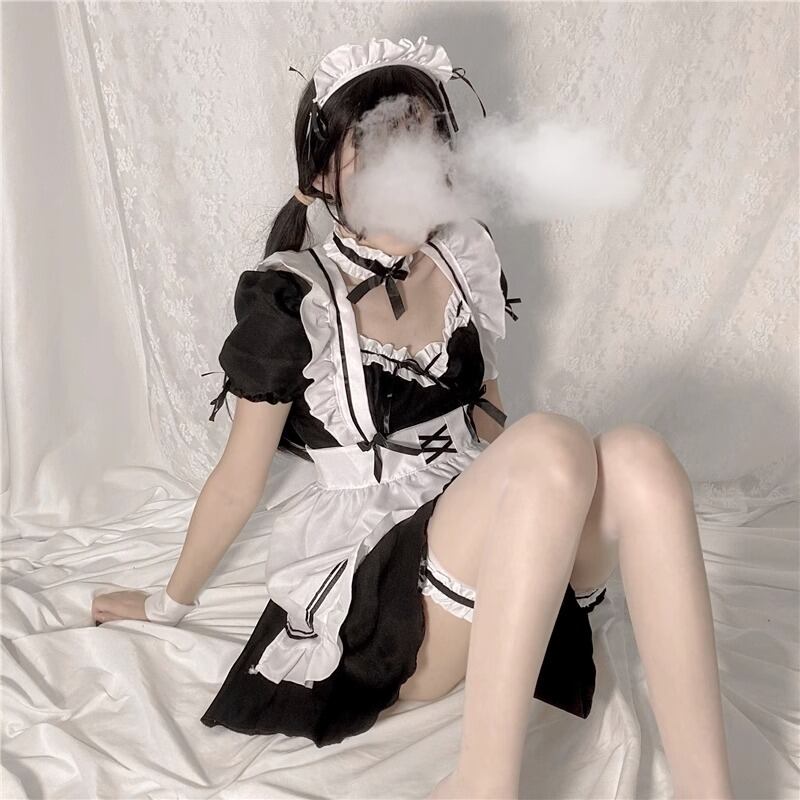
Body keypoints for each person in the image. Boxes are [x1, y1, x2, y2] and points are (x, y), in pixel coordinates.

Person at [91, 36, 734, 800]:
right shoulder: (295, 297)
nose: (411, 160)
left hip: (491, 563)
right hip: (386, 610)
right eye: (376, 145)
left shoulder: (464, 256)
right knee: (554, 439)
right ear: (322, 176)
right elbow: (237, 482)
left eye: (424, 136)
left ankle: (711, 791)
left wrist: (545, 504)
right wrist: (165, 605)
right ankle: (482, 786)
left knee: (638, 457)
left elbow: (493, 423)